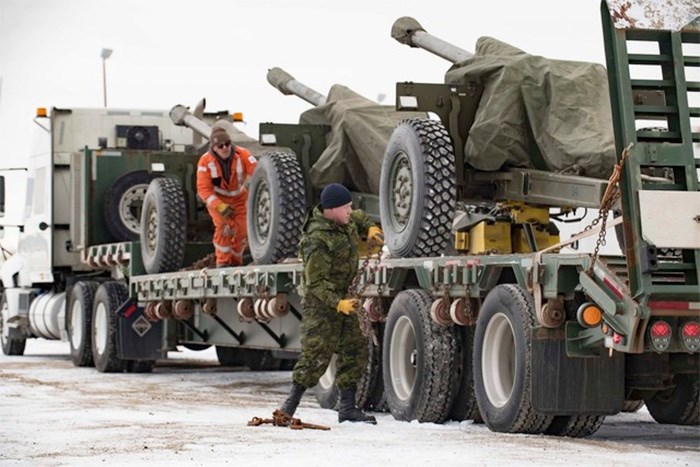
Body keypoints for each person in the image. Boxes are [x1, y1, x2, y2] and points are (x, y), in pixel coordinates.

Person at [279, 183, 384, 424]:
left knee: (355, 350)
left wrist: (370, 228)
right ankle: (289, 407)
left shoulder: (343, 221)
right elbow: (315, 283)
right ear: (333, 209)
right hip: (322, 305)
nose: (350, 211)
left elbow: (358, 216)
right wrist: (338, 304)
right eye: (346, 207)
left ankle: (347, 407)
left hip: (346, 297)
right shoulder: (317, 239)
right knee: (315, 355)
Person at [196, 126, 257, 267]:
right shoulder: (205, 162)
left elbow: (257, 170)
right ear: (214, 147)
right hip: (218, 201)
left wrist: (251, 185)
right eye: (220, 146)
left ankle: (236, 261)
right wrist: (219, 205)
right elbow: (203, 189)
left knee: (242, 230)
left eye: (228, 144)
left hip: (239, 199)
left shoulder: (243, 155)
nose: (225, 148)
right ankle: (222, 262)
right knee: (223, 228)